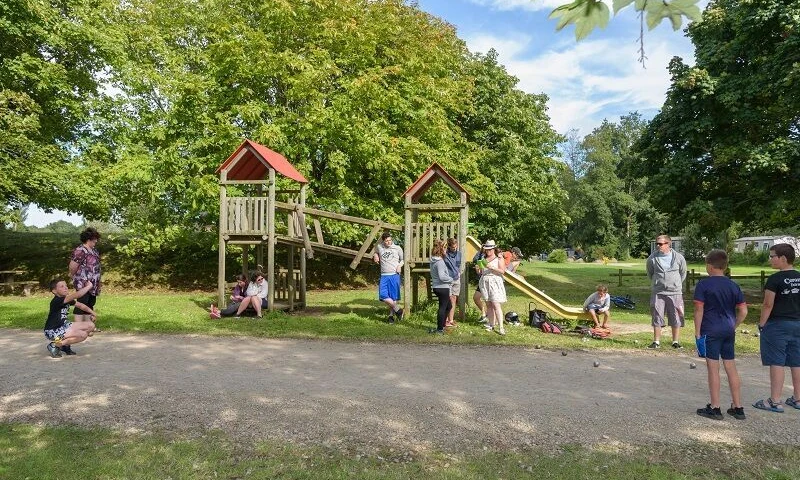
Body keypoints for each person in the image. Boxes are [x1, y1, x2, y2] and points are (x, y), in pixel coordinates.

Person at [693, 249, 748, 420]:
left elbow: (698, 309)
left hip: (711, 330)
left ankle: (715, 407)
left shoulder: (703, 285)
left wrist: (697, 332)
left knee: (713, 368)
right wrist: (734, 325)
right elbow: (743, 311)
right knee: (730, 367)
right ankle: (738, 407)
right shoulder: (733, 285)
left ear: (709, 266)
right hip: (728, 330)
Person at [753, 243, 800, 413]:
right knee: (797, 361)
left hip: (778, 325)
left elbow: (767, 304)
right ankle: (797, 398)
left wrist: (762, 323)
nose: (770, 259)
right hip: (797, 324)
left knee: (777, 361)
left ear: (783, 258)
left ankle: (775, 400)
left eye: (772, 256)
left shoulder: (775, 279)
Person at [646, 235, 688, 349]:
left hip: (675, 292)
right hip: (658, 292)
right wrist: (658, 283)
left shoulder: (679, 257)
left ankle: (675, 342)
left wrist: (674, 283)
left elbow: (683, 273)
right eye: (657, 243)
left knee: (676, 316)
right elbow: (650, 273)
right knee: (657, 316)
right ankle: (656, 342)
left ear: (668, 244)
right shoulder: (652, 258)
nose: (658, 246)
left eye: (661, 244)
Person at [43, 279, 98, 357]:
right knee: (85, 332)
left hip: (64, 326)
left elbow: (81, 305)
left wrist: (93, 313)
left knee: (88, 330)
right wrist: (89, 286)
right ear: (54, 291)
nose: (65, 288)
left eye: (66, 286)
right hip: (52, 331)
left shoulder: (66, 299)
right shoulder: (57, 300)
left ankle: (63, 345)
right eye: (62, 286)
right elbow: (77, 295)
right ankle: (55, 345)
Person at [68, 227, 102, 331]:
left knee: (90, 303)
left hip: (94, 283)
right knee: (82, 302)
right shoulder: (80, 250)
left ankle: (87, 327)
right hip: (83, 283)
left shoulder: (94, 251)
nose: (96, 241)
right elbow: (72, 266)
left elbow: (96, 267)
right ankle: (77, 326)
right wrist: (75, 277)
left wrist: (98, 282)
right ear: (88, 239)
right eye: (94, 238)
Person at [373, 231, 404, 323]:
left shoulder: (397, 248)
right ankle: (398, 310)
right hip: (384, 275)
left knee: (393, 297)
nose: (389, 242)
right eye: (386, 241)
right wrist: (375, 254)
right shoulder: (380, 247)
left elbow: (403, 259)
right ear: (383, 241)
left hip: (394, 274)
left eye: (390, 240)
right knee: (383, 295)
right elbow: (375, 250)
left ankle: (391, 316)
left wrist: (399, 266)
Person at [478, 240, 507, 335]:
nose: (488, 251)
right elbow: (481, 272)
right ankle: (491, 324)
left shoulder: (499, 258)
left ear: (493, 249)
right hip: (485, 282)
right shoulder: (483, 259)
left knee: (496, 304)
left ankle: (501, 327)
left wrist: (492, 267)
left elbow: (502, 271)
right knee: (489, 304)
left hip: (495, 282)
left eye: (490, 249)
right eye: (486, 250)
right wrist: (478, 269)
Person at [429, 239, 454, 335]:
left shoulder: (434, 260)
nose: (446, 250)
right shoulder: (439, 262)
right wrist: (451, 279)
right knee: (443, 307)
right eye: (445, 248)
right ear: (441, 249)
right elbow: (442, 277)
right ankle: (439, 329)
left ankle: (442, 326)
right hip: (442, 287)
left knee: (449, 306)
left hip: (438, 286)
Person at [443, 237, 462, 328]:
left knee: (454, 299)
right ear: (449, 246)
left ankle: (451, 319)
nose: (454, 249)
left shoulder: (459, 254)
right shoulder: (445, 254)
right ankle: (445, 320)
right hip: (448, 279)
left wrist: (457, 274)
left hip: (456, 278)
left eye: (455, 247)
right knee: (449, 299)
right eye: (453, 247)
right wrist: (444, 249)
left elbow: (457, 266)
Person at [471, 244, 488, 324]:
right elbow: (475, 261)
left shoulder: (491, 256)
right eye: (484, 247)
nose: (485, 249)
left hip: (489, 281)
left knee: (490, 301)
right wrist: (478, 269)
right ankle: (484, 314)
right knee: (476, 297)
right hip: (482, 280)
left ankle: (490, 318)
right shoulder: (480, 254)